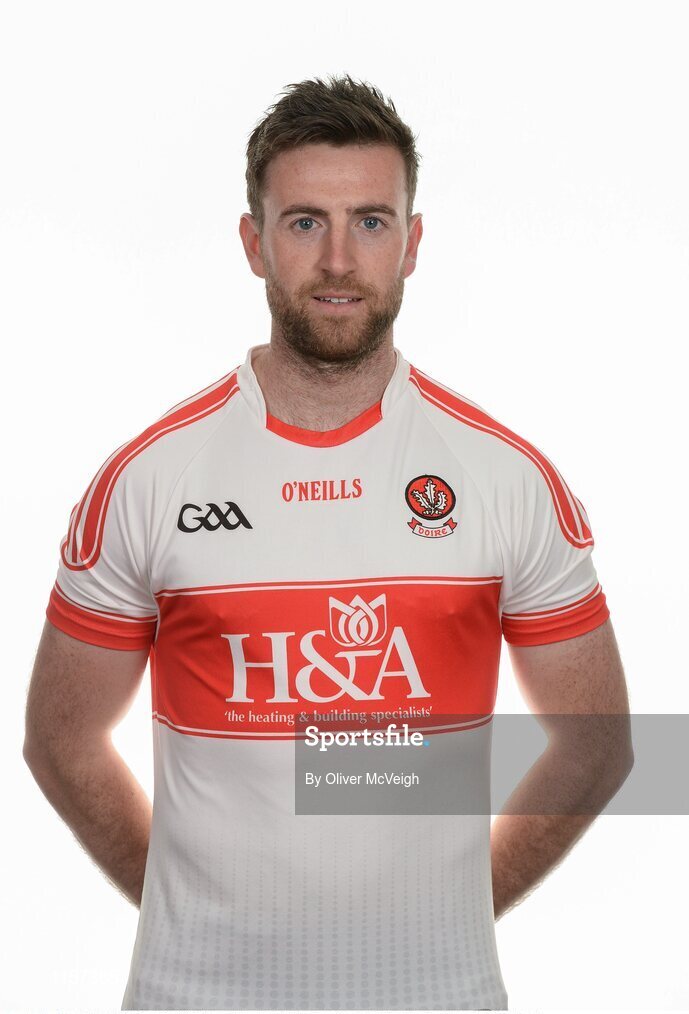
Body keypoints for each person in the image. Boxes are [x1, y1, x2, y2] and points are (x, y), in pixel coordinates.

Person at [23, 74, 633, 1011]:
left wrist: (459, 908)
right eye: (306, 222)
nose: (340, 258)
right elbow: (60, 739)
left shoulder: (507, 479)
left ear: (413, 243)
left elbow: (596, 745)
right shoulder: (148, 480)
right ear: (253, 242)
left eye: (373, 222)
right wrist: (193, 913)